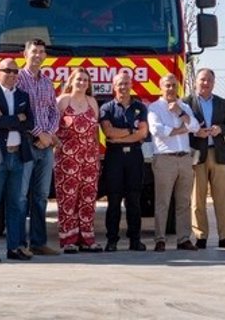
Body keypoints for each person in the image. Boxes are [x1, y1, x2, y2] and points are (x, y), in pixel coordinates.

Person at [0, 58, 35, 262]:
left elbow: (30, 122)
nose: (12, 74)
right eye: (8, 70)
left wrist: (9, 119)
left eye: (15, 71)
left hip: (18, 156)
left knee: (16, 205)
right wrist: (16, 119)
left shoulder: (23, 95)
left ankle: (13, 248)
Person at [185, 68, 225, 249]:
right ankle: (201, 237)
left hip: (218, 154)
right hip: (197, 155)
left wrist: (220, 129)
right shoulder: (187, 103)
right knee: (197, 199)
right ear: (196, 82)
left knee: (222, 198)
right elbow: (181, 127)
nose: (205, 83)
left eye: (209, 80)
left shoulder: (222, 103)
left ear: (214, 83)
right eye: (202, 80)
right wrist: (195, 132)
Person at [16, 39, 61, 256]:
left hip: (46, 147)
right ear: (25, 53)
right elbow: (20, 113)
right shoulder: (18, 80)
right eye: (34, 51)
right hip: (27, 144)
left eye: (41, 52)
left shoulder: (46, 82)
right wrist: (38, 134)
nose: (37, 55)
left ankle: (38, 242)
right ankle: (19, 243)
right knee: (21, 196)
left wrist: (50, 135)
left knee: (41, 196)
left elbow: (54, 111)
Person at [148, 73, 200, 252]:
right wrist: (179, 130)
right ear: (160, 87)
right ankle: (160, 239)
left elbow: (195, 127)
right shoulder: (154, 108)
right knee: (163, 201)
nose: (171, 89)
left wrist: (181, 114)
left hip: (185, 159)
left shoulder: (184, 106)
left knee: (184, 201)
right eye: (167, 85)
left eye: (173, 85)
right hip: (165, 159)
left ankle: (183, 239)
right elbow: (157, 130)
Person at [99, 71, 149, 252]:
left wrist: (120, 136)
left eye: (126, 83)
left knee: (134, 200)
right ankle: (112, 240)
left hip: (135, 157)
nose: (123, 87)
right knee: (113, 200)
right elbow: (108, 132)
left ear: (131, 85)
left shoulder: (140, 107)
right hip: (115, 158)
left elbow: (143, 133)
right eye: (120, 83)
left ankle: (135, 240)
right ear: (114, 86)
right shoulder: (107, 108)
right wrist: (131, 131)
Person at [54, 67, 102, 253]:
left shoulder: (92, 102)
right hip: (67, 157)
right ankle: (69, 240)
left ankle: (87, 239)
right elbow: (53, 127)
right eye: (79, 79)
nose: (82, 83)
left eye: (85, 80)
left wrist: (96, 156)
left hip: (89, 157)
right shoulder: (63, 101)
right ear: (71, 81)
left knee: (88, 198)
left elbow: (95, 131)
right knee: (68, 198)